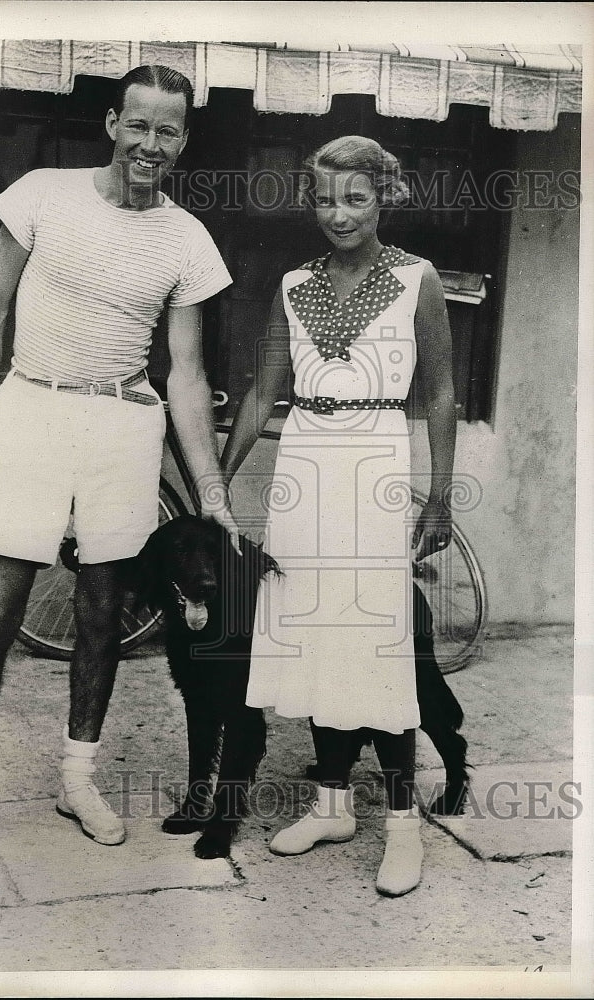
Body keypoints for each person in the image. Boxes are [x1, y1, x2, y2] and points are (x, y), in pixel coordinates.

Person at [0, 64, 238, 877]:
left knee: (102, 616)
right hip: (33, 410)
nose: (149, 144)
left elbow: (187, 375)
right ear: (111, 122)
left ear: (183, 141)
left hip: (124, 424)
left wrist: (213, 496)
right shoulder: (42, 194)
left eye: (167, 131)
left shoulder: (186, 237)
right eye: (138, 125)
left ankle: (77, 780)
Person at [220, 136, 455, 897]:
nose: (337, 214)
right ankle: (330, 807)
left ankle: (401, 827)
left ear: (384, 197)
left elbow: (442, 396)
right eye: (323, 199)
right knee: (315, 641)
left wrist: (440, 497)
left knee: (376, 650)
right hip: (304, 472)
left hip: (375, 471)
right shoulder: (294, 283)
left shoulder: (416, 279)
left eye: (354, 199)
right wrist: (214, 482)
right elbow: (262, 392)